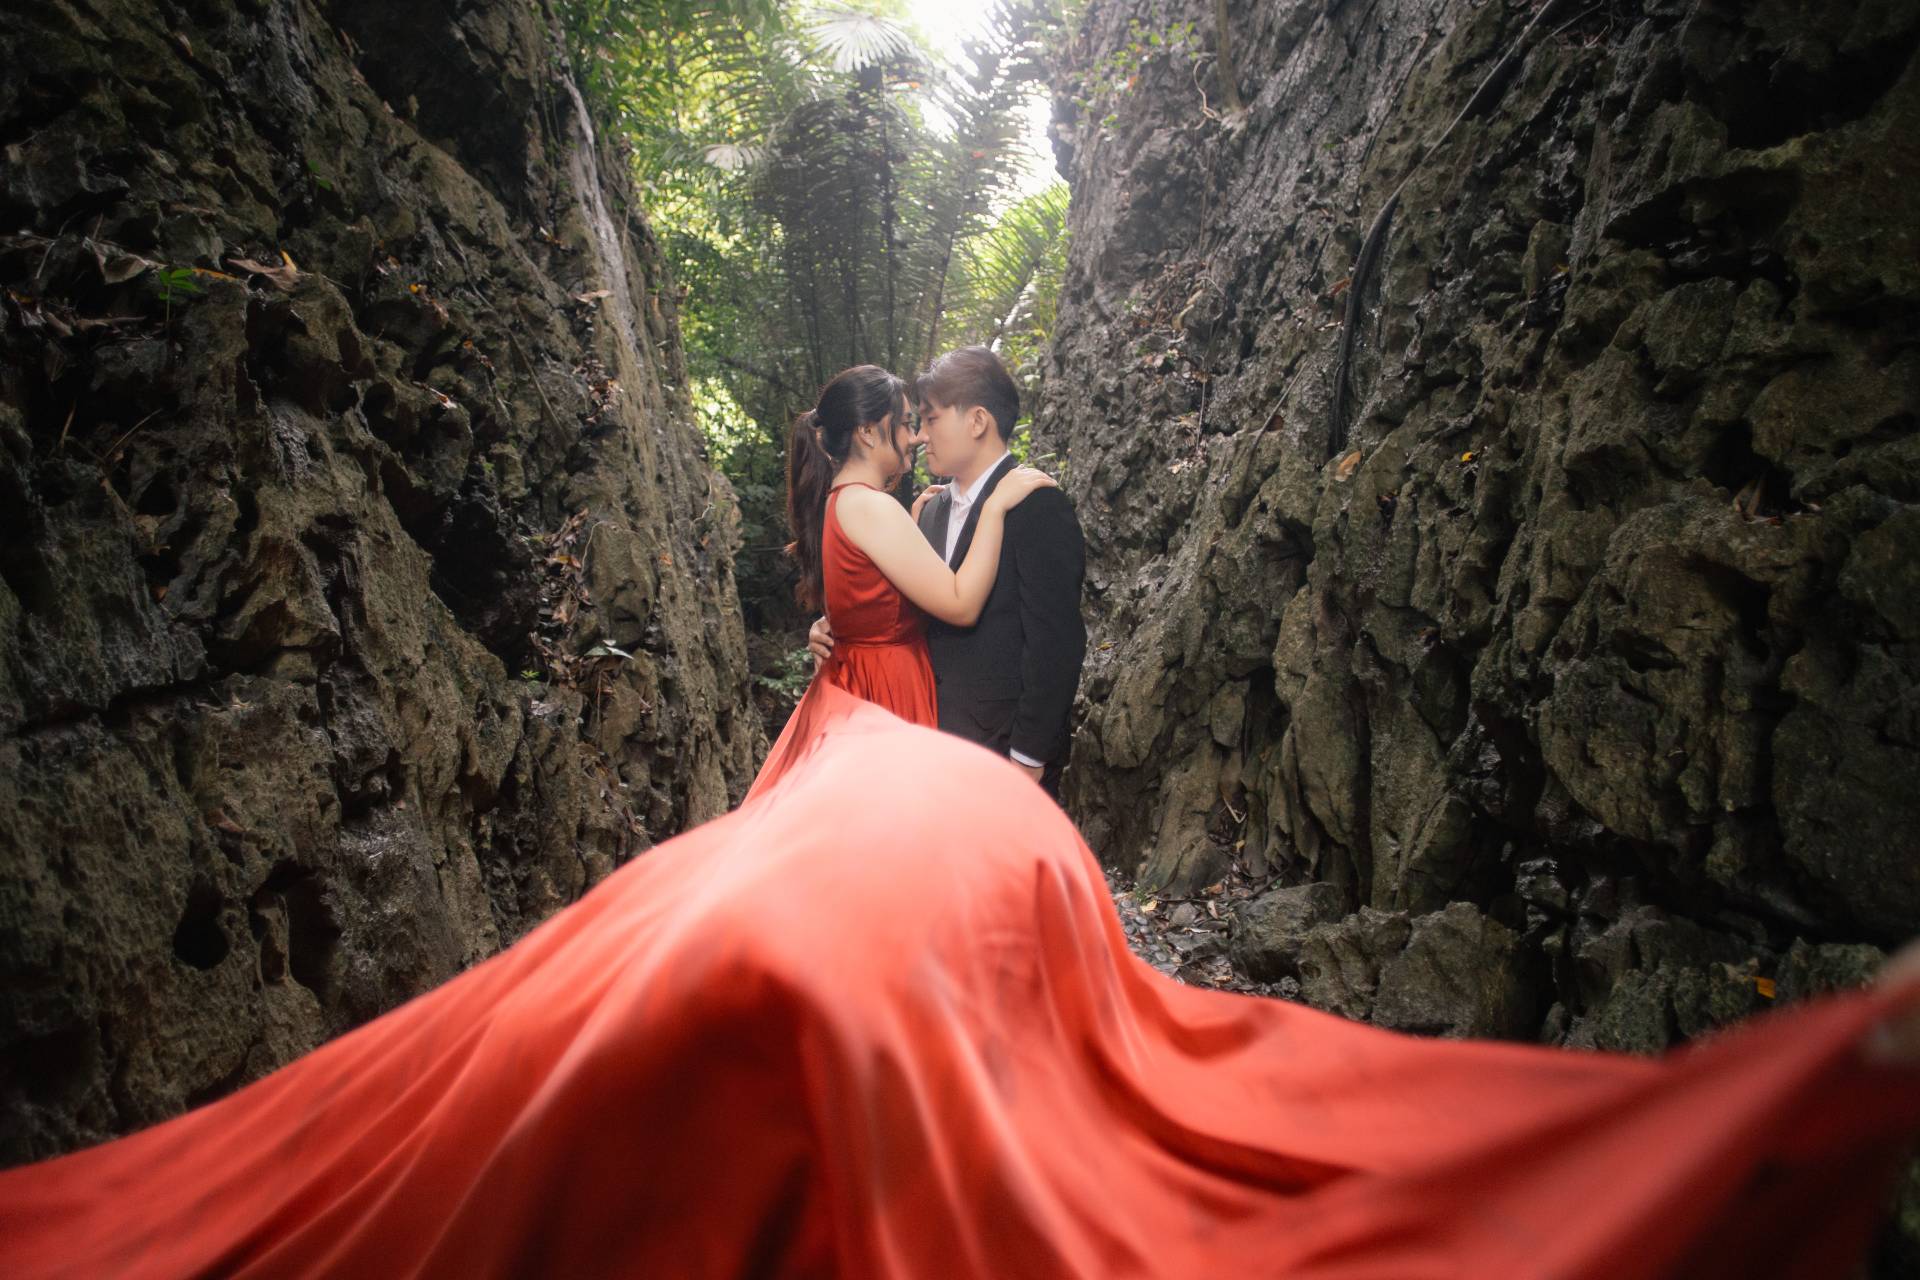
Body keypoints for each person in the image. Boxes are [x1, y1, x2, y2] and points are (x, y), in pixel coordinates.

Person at [2, 685, 1919, 1277]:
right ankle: (1768, 1110)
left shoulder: (836, 781)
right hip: (882, 876)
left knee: (562, 1041)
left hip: (858, 878)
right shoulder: (884, 762)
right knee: (1130, 1096)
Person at [751, 363, 1057, 801]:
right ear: (868, 432)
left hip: (864, 683)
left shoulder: (845, 500)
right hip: (885, 693)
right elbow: (960, 604)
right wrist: (994, 508)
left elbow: (871, 592)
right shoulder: (871, 506)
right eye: (907, 423)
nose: (916, 436)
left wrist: (911, 527)